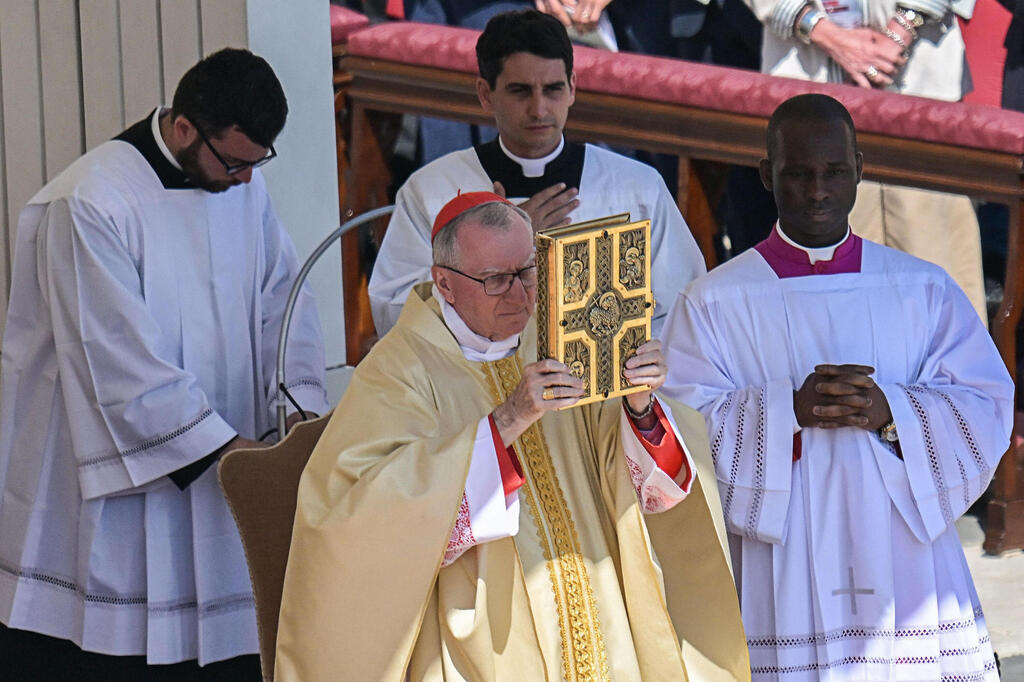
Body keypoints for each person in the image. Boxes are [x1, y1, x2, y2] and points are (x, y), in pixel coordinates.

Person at [276, 192, 748, 681]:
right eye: (496, 280)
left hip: (598, 599)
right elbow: (357, 514)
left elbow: (625, 473)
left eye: (528, 272)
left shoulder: (562, 338)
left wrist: (640, 405)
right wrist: (509, 419)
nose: (520, 296)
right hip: (483, 632)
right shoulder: (399, 370)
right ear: (444, 283)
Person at [0, 49, 328, 680]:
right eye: (234, 162)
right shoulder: (90, 202)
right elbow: (115, 362)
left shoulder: (242, 188)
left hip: (229, 466)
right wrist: (233, 453)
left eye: (257, 164)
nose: (246, 181)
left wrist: (297, 410)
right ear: (183, 129)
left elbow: (283, 301)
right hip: (122, 489)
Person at [660, 94, 1010, 681]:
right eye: (798, 174)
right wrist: (785, 411)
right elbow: (679, 427)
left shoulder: (921, 288)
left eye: (835, 172)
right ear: (767, 175)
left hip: (901, 545)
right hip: (784, 547)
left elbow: (984, 404)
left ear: (860, 170)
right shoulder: (715, 300)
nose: (818, 191)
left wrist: (892, 411)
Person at [368, 9, 706, 337]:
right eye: (520, 91)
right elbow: (394, 316)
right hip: (474, 377)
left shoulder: (636, 188)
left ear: (572, 88)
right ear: (486, 94)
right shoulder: (432, 191)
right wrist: (503, 248)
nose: (539, 109)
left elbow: (685, 315)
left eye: (553, 89)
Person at [743, 0, 988, 323]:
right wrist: (822, 31)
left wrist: (900, 31)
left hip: (920, 85)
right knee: (828, 271)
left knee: (934, 258)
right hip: (807, 76)